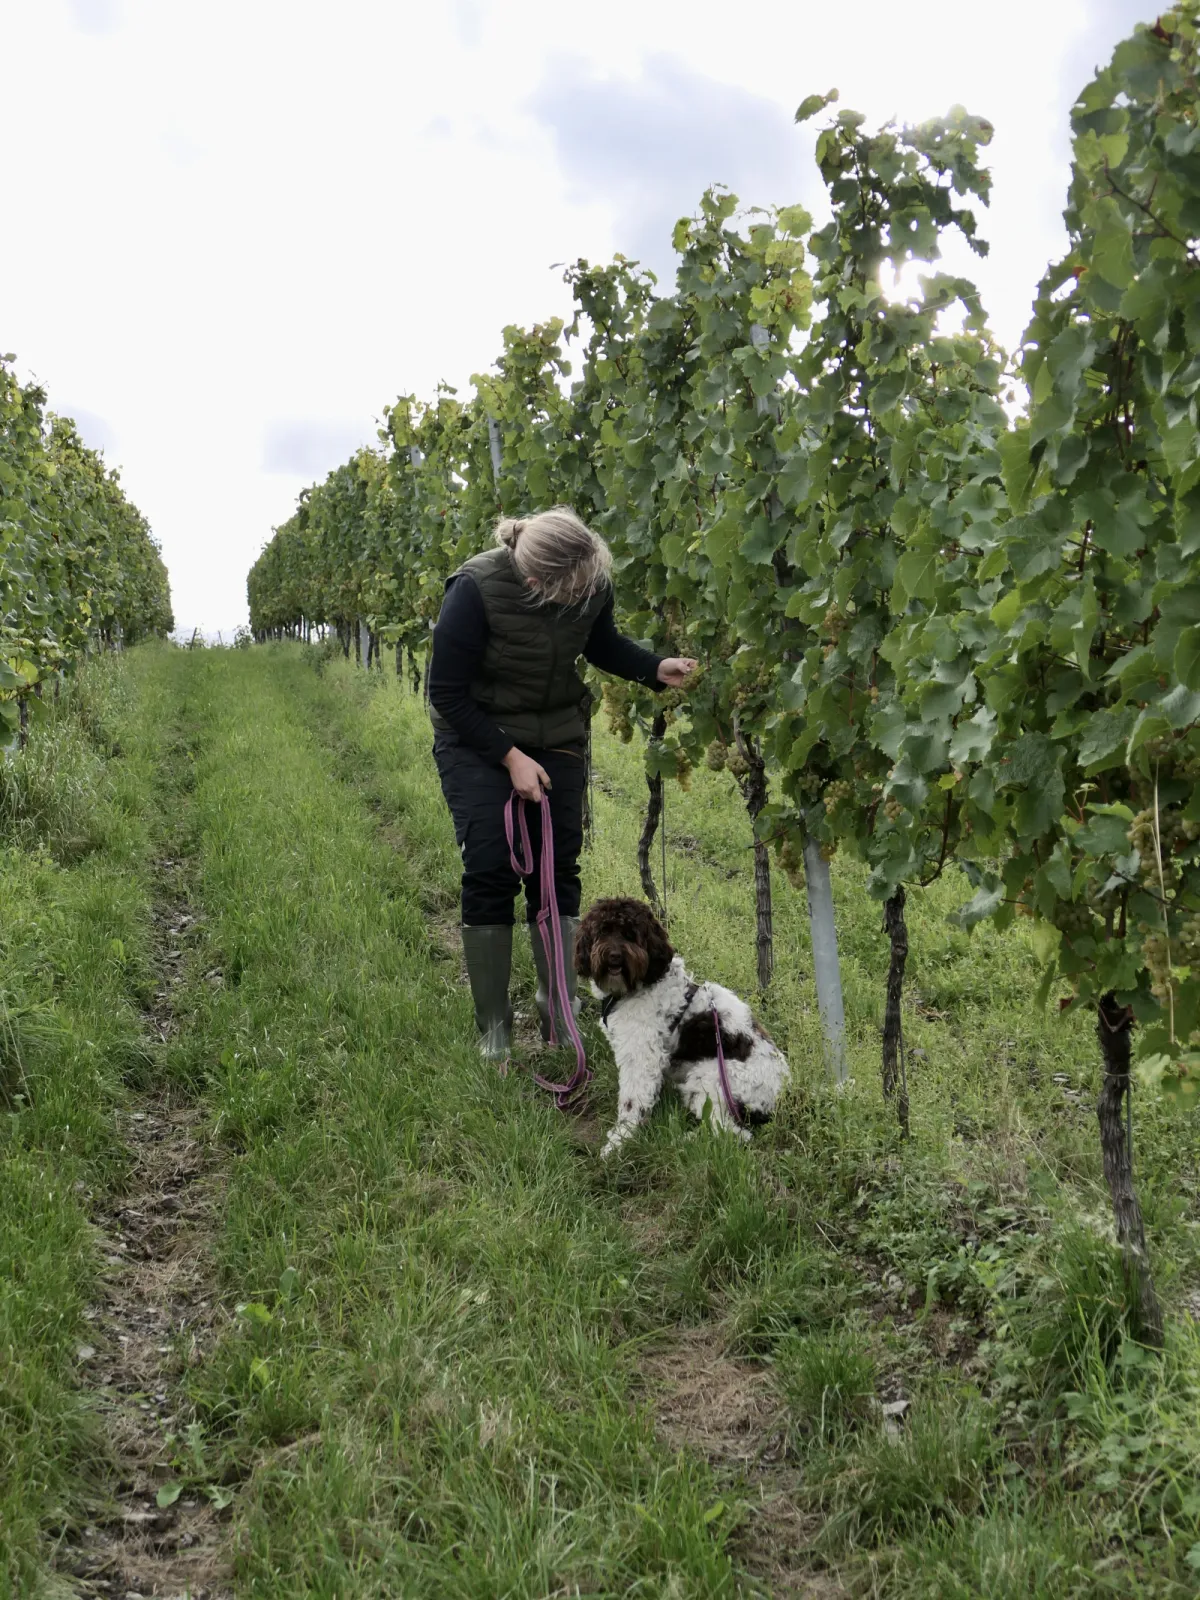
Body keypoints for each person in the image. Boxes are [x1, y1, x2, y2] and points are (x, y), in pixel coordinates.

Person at [429, 507, 696, 1061]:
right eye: (570, 592)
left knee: (557, 868)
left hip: (556, 730)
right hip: (476, 732)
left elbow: (599, 643)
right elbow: (447, 694)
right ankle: (495, 1033)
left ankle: (558, 1013)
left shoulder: (589, 579)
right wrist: (509, 758)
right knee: (490, 866)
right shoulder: (474, 590)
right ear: (535, 582)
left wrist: (653, 667)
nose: (583, 596)